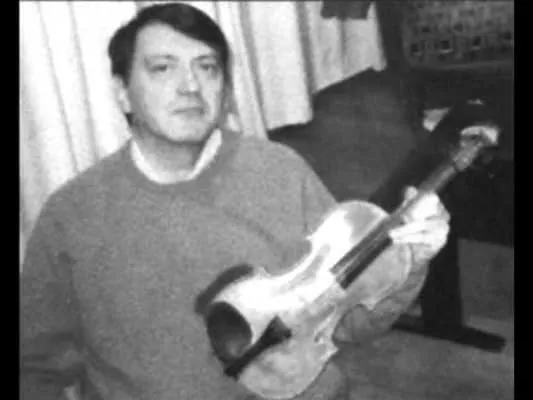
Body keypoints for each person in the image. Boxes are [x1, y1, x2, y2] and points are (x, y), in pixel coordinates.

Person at [20, 3, 451, 400]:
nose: (190, 85)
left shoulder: (280, 171)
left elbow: (354, 322)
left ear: (225, 91)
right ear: (122, 92)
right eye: (162, 68)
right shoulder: (72, 216)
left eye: (207, 67)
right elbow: (34, 367)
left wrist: (409, 258)